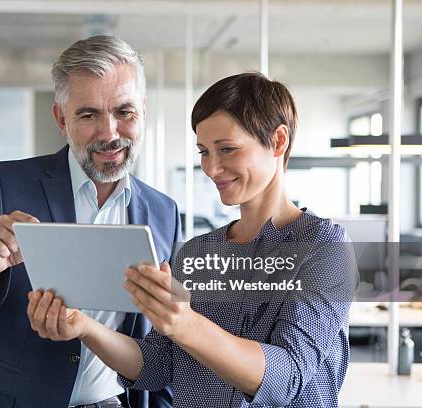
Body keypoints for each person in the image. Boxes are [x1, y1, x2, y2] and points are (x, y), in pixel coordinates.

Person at [27, 72, 357, 407]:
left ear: (278, 141)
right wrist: (84, 327)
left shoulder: (323, 247)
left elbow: (287, 377)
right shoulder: (199, 252)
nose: (211, 168)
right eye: (204, 151)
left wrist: (184, 323)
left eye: (227, 149)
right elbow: (156, 366)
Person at [0, 36, 180, 408]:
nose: (110, 133)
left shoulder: (164, 211)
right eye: (88, 114)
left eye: (124, 112)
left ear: (142, 111)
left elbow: (160, 340)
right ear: (61, 119)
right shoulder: (4, 185)